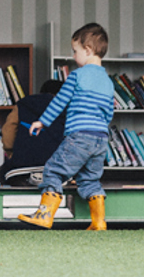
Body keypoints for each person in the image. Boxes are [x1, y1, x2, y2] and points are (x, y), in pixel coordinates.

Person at [18, 23, 114, 231]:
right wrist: (101, 131)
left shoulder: (77, 76)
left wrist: (42, 121)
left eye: (75, 51)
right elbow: (109, 112)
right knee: (90, 179)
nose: (74, 56)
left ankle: (44, 215)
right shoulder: (108, 81)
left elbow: (59, 102)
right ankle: (99, 221)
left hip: (79, 135)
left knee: (53, 170)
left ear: (87, 50)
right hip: (100, 138)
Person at [0, 78, 66, 186]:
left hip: (21, 168)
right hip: (57, 167)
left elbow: (8, 134)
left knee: (0, 174)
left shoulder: (23, 105)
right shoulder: (67, 108)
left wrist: (12, 153)